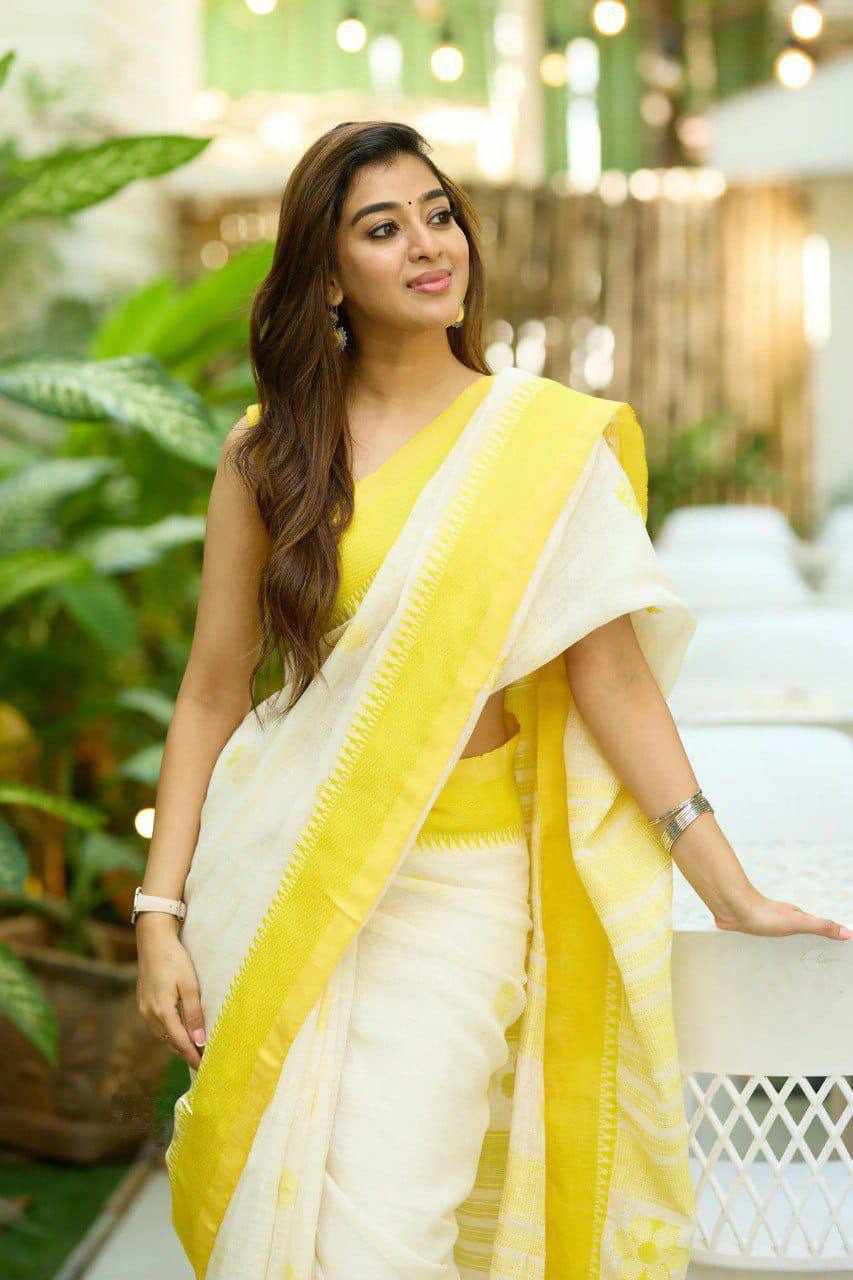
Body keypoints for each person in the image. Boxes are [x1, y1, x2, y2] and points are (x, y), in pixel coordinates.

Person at [134, 121, 852, 1280]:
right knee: (273, 1211)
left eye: (438, 214)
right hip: (282, 861)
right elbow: (214, 690)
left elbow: (613, 678)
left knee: (383, 1236)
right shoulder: (270, 453)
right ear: (328, 275)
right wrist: (157, 913)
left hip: (460, 887)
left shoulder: (540, 443)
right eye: (383, 228)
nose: (428, 245)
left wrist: (726, 885)